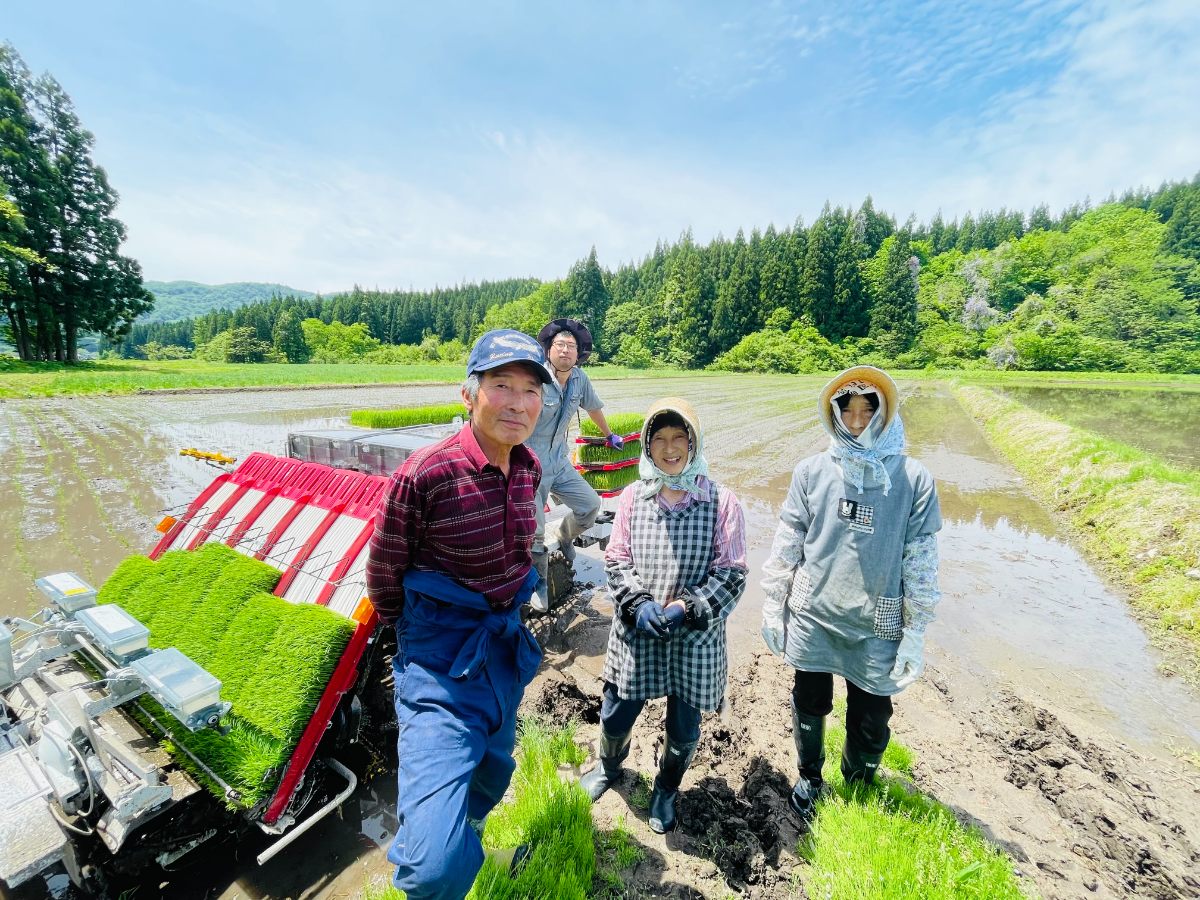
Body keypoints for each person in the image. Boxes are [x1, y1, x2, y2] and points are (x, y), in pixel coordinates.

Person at [365, 329, 552, 900]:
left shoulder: (529, 469)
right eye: (502, 386)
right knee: (430, 868)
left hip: (501, 652)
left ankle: (472, 839)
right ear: (469, 394)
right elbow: (383, 580)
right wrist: (425, 642)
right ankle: (449, 862)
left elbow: (520, 553)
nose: (518, 403)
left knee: (493, 772)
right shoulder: (424, 476)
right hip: (441, 664)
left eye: (530, 390)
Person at [760, 366, 942, 823]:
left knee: (872, 714)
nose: (857, 420)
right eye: (848, 410)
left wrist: (915, 630)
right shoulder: (812, 471)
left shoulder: (913, 479)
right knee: (810, 700)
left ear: (884, 414)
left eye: (867, 410)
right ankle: (810, 777)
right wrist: (772, 600)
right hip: (814, 611)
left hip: (876, 621)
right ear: (834, 415)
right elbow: (789, 539)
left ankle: (858, 783)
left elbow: (920, 560)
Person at [578, 398, 747, 834]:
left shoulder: (721, 501)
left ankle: (667, 789)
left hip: (694, 638)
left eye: (679, 439)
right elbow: (616, 561)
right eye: (659, 440)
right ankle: (609, 767)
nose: (669, 449)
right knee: (616, 711)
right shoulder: (634, 496)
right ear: (647, 447)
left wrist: (684, 607)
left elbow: (732, 574)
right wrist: (638, 604)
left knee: (685, 725)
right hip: (639, 632)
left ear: (693, 443)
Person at [528, 318, 622, 611]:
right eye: (560, 345)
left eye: (571, 346)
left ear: (578, 352)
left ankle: (565, 535)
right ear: (549, 350)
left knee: (590, 506)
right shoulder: (536, 378)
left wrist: (609, 435)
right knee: (535, 530)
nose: (566, 350)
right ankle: (539, 583)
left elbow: (593, 406)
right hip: (531, 464)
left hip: (559, 459)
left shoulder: (580, 378)